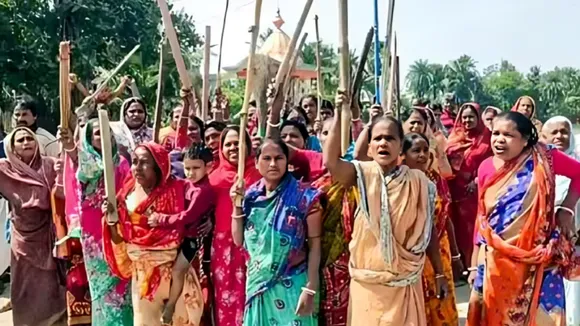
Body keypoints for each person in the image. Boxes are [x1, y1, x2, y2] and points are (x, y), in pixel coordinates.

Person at [324, 92, 447, 325]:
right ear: (369, 147)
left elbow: (427, 233)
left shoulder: (420, 184)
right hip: (367, 285)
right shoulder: (362, 174)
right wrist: (342, 114)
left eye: (390, 138)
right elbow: (331, 162)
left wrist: (439, 273)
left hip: (405, 284)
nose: (383, 143)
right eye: (377, 138)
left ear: (400, 146)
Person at [467, 112, 580, 326]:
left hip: (539, 261)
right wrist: (475, 264)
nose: (499, 139)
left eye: (509, 135)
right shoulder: (486, 167)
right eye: (496, 133)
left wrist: (567, 209)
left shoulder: (546, 158)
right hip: (496, 262)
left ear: (526, 139)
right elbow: (482, 218)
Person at [102, 142, 204, 325]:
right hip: (142, 278)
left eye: (144, 163)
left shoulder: (180, 189)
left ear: (159, 166)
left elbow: (198, 212)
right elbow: (119, 238)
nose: (137, 168)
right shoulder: (126, 194)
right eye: (134, 162)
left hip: (175, 274)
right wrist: (110, 220)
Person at [230, 139, 323, 325]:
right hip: (259, 287)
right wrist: (237, 206)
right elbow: (239, 240)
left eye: (279, 158)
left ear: (287, 162)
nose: (273, 164)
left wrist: (310, 287)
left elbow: (315, 245)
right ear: (256, 163)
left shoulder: (305, 197)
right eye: (266, 158)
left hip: (294, 284)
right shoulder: (250, 198)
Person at [0, 127, 66, 325]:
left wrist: (62, 173)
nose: (26, 142)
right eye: (20, 140)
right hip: (22, 237)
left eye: (30, 138)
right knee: (25, 285)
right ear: (12, 147)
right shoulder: (5, 169)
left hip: (48, 234)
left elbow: (64, 191)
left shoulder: (50, 165)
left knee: (50, 283)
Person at [150, 143, 215, 325]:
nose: (190, 173)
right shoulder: (187, 184)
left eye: (196, 168)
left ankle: (170, 306)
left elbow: (187, 217)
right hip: (178, 235)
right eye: (187, 168)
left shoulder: (203, 191)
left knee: (178, 270)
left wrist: (161, 218)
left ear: (208, 167)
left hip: (192, 239)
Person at [401, 133, 461, 326]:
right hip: (412, 256)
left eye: (426, 150)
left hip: (438, 253)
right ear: (403, 155)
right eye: (416, 151)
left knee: (442, 302)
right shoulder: (397, 183)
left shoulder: (435, 180)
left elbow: (445, 217)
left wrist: (455, 255)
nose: (422, 155)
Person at [209, 126, 261, 326]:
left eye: (237, 143)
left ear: (247, 146)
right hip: (223, 247)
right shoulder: (214, 178)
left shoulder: (260, 176)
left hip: (253, 245)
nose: (232, 148)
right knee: (226, 297)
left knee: (249, 295)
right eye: (228, 144)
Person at [542, 116, 580, 326]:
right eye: (554, 132)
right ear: (544, 136)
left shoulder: (577, 166)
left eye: (564, 132)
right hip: (548, 248)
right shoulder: (539, 168)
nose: (559, 136)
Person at [446, 102, 492, 266]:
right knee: (453, 226)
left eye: (471, 117)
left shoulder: (487, 138)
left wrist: (477, 180)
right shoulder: (454, 136)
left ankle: (472, 265)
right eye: (464, 117)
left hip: (473, 191)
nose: (467, 120)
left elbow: (493, 163)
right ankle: (456, 266)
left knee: (471, 229)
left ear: (478, 118)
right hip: (452, 189)